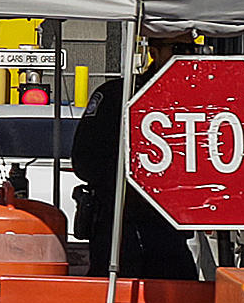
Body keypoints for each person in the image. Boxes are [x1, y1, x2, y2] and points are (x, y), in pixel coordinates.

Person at [72, 31, 201, 281]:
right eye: (176, 47)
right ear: (154, 52)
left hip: (170, 230)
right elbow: (85, 161)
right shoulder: (117, 95)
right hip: (119, 229)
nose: (186, 55)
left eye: (191, 49)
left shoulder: (199, 100)